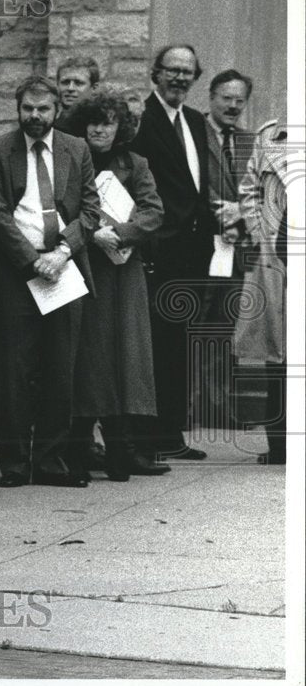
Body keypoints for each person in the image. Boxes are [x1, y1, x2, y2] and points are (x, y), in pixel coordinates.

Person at [0, 76, 101, 488]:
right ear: (18, 108)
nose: (34, 116)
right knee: (13, 372)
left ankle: (51, 463)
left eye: (43, 109)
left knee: (60, 370)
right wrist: (33, 262)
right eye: (28, 108)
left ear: (56, 111)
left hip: (65, 270)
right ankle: (13, 465)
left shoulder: (76, 148)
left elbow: (90, 209)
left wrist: (62, 253)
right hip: (15, 274)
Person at [63, 92, 166, 480]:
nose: (99, 129)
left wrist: (120, 233)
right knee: (88, 356)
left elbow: (154, 212)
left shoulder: (135, 163)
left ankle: (122, 448)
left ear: (120, 127)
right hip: (86, 269)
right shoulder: (70, 160)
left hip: (123, 274)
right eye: (93, 121)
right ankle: (80, 449)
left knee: (125, 356)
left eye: (108, 122)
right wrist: (92, 237)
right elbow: (60, 211)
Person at [129, 44, 213, 463]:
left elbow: (197, 185)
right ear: (156, 74)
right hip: (159, 248)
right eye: (172, 71)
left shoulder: (196, 121)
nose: (180, 78)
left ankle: (172, 433)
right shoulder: (143, 120)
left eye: (188, 72)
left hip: (193, 249)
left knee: (182, 340)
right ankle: (153, 435)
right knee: (158, 341)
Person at [196, 69, 256, 428]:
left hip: (236, 251)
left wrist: (242, 215)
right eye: (226, 98)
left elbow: (263, 192)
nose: (233, 106)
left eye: (239, 100)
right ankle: (185, 408)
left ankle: (217, 408)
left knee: (223, 327)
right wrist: (218, 216)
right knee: (191, 322)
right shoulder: (191, 135)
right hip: (199, 243)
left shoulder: (250, 142)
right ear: (211, 97)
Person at [235, 118, 288, 465]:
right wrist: (260, 234)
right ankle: (281, 446)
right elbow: (249, 190)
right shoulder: (271, 134)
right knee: (278, 354)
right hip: (278, 254)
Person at [54, 56, 100, 132]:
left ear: (94, 88)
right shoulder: (51, 126)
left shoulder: (101, 128)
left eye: (79, 83)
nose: (70, 88)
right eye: (65, 82)